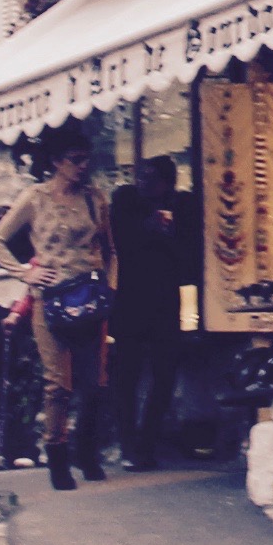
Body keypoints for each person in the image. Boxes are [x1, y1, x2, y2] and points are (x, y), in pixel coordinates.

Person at [0, 133, 120, 488]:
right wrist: (24, 272)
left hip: (90, 298)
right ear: (57, 162)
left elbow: (110, 249)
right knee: (58, 383)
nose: (83, 166)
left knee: (95, 382)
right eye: (75, 159)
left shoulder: (95, 198)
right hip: (51, 301)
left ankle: (87, 453)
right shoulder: (35, 198)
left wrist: (111, 287)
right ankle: (57, 456)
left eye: (86, 158)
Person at [109, 155, 199, 468]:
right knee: (127, 377)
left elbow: (189, 254)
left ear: (167, 182)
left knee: (164, 375)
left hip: (164, 301)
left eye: (152, 178)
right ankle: (128, 444)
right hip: (130, 300)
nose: (144, 183)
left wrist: (168, 234)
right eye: (141, 177)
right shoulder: (126, 202)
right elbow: (118, 242)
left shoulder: (182, 207)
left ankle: (146, 443)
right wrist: (147, 229)